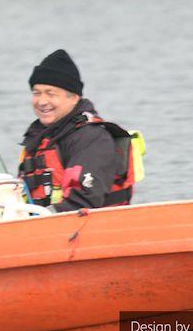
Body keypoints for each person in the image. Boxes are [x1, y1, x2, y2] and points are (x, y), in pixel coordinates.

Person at [18, 49, 136, 212]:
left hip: (88, 230)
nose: (42, 101)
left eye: (51, 94)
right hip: (44, 226)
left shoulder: (92, 138)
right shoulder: (38, 138)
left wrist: (37, 219)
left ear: (73, 98)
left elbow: (83, 200)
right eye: (36, 93)